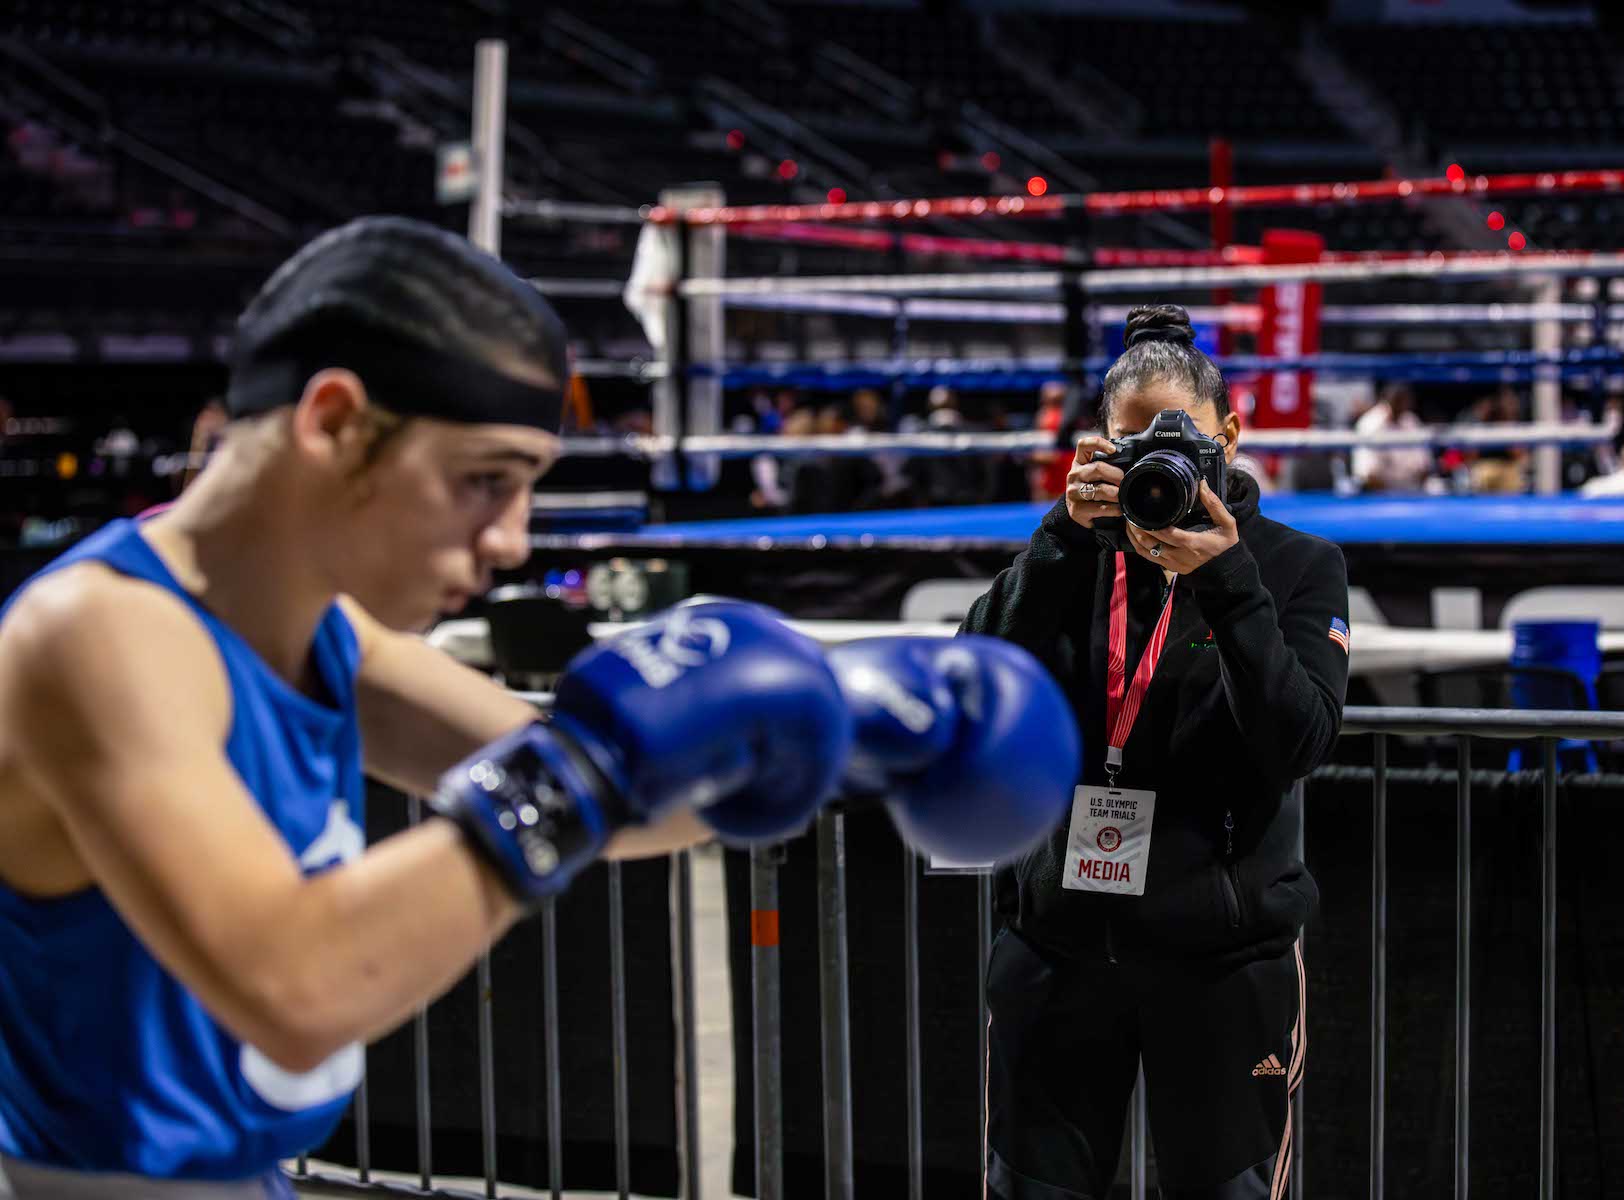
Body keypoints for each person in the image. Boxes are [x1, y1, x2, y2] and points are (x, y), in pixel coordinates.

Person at [0, 217, 1078, 1197]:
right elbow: (295, 983)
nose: (513, 537)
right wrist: (592, 769)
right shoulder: (101, 635)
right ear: (333, 422)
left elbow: (608, 799)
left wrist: (832, 730)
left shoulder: (322, 632)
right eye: (484, 479)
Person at [965, 303, 1350, 1200]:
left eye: (1185, 444)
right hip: (1057, 947)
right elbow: (973, 679)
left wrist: (1223, 577)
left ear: (1233, 434)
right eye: (1135, 446)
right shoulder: (1069, 556)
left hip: (1220, 963)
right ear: (1101, 445)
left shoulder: (1296, 564)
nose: (1163, 468)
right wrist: (1058, 537)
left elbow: (1297, 739)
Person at [1350, 382, 1433, 493]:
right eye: (1397, 401)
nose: (1402, 405)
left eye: (1405, 401)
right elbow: (1368, 476)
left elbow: (1425, 466)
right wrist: (1393, 498)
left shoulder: (1411, 421)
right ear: (1386, 399)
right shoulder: (1369, 424)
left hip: (1414, 494)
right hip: (1380, 497)